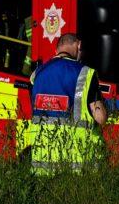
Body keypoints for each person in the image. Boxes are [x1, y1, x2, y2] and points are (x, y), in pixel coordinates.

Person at [29, 33, 107, 174]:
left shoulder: (37, 74)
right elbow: (100, 118)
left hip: (42, 168)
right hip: (78, 168)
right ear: (79, 45)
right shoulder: (86, 73)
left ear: (56, 50)